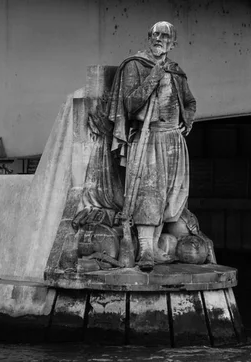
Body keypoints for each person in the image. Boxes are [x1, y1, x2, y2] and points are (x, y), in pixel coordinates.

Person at [108, 21, 196, 271]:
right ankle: (145, 248)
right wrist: (153, 77)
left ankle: (155, 246)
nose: (159, 39)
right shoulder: (135, 65)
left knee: (170, 193)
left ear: (173, 43)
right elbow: (130, 103)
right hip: (148, 137)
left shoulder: (176, 70)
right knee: (148, 190)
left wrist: (186, 121)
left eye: (165, 36)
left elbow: (189, 101)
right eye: (155, 34)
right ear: (149, 37)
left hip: (173, 140)